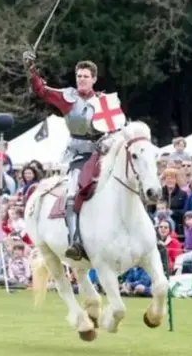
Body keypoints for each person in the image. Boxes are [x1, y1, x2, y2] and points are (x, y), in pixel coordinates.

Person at [23, 50, 116, 261]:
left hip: (104, 155)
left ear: (93, 79)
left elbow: (117, 127)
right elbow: (41, 90)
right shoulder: (68, 98)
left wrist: (108, 141)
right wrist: (31, 69)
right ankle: (75, 240)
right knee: (72, 194)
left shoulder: (105, 102)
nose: (82, 79)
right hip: (78, 156)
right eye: (79, 76)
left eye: (86, 76)